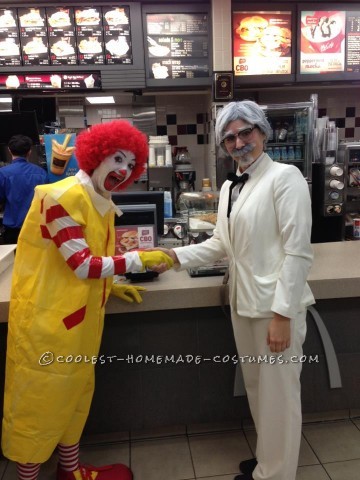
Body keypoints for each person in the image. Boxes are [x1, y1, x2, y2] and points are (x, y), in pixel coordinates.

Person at [2, 120, 173, 480]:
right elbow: (82, 265)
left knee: (75, 401)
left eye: (130, 163)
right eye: (117, 159)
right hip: (47, 327)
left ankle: (70, 471)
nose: (124, 169)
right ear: (96, 156)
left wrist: (112, 284)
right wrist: (141, 259)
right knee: (39, 408)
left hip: (80, 323)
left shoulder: (101, 201)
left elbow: (94, 261)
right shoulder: (60, 197)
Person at [156, 101, 315, 480]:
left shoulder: (286, 177)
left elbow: (297, 253)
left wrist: (282, 315)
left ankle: (276, 474)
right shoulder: (230, 187)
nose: (238, 141)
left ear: (262, 132)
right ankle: (268, 459)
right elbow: (220, 245)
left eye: (245, 132)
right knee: (259, 390)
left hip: (274, 309)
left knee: (280, 397)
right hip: (244, 304)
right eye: (229, 137)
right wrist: (172, 256)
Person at [0, 134, 48, 244]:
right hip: (37, 230)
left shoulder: (3, 174)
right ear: (29, 151)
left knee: (16, 261)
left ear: (9, 150)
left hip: (13, 232)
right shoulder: (41, 173)